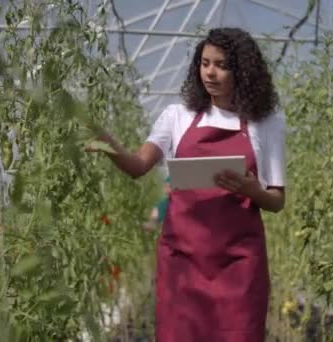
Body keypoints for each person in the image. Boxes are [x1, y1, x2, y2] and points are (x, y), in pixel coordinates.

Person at [86, 27, 286, 342]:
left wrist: (253, 191)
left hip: (239, 264)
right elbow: (138, 166)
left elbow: (276, 199)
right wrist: (105, 141)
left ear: (243, 71)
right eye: (205, 63)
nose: (210, 72)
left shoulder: (266, 122)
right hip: (183, 261)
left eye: (221, 64)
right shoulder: (178, 116)